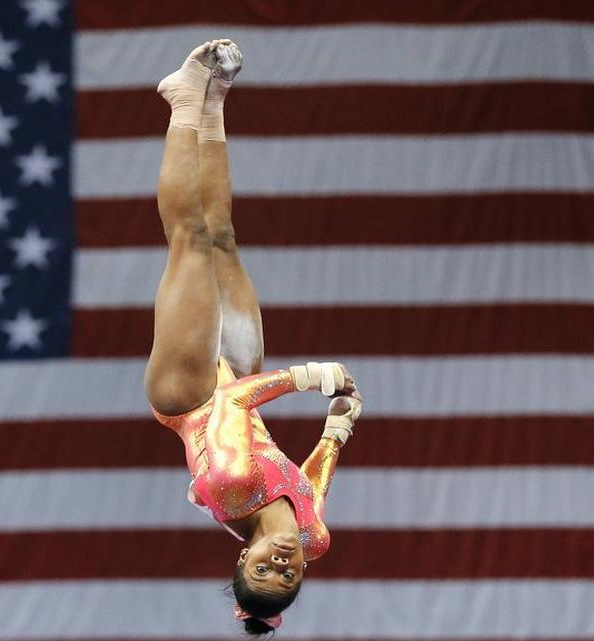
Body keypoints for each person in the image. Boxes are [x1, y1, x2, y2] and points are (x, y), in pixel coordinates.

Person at [145, 39, 365, 636]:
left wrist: (310, 378)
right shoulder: (314, 537)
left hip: (191, 394)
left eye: (263, 572)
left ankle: (182, 103)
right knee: (222, 236)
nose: (283, 565)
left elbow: (230, 404)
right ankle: (213, 104)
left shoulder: (232, 485)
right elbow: (312, 481)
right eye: (288, 579)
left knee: (189, 238)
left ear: (243, 558)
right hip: (241, 376)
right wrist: (338, 426)